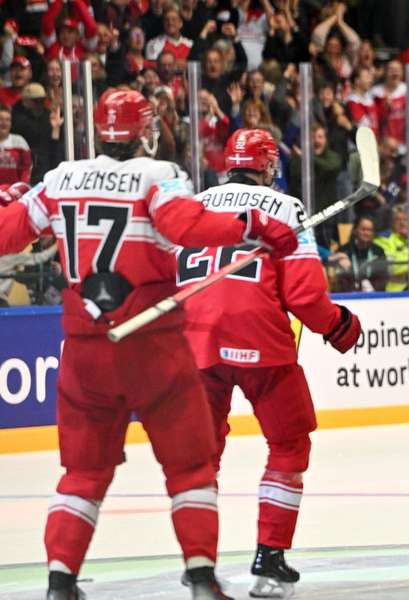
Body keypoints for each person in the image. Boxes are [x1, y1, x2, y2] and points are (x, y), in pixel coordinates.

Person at [0, 90, 298, 600]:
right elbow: (189, 227)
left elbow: (8, 234)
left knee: (83, 471)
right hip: (151, 343)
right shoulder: (157, 176)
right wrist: (251, 224)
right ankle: (202, 578)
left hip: (84, 347)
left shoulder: (58, 180)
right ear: (143, 132)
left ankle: (59, 581)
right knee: (190, 467)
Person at [181, 128, 362, 599]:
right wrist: (339, 325)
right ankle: (269, 560)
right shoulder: (286, 208)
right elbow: (303, 294)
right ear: (268, 167)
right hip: (261, 340)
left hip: (195, 340)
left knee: (201, 455)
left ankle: (199, 564)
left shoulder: (194, 203)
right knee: (288, 444)